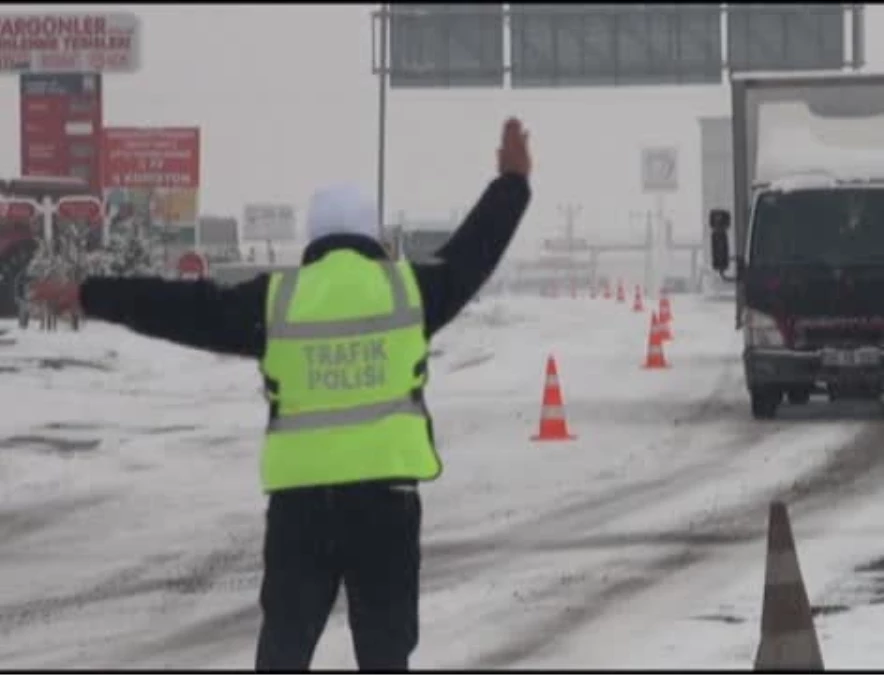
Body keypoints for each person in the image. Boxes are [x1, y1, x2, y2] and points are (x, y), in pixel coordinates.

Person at [32, 117, 533, 670]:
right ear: (375, 238)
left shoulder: (276, 302)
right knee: (386, 655)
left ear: (313, 241)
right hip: (386, 505)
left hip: (303, 509)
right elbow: (473, 251)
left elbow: (184, 308)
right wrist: (512, 181)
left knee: (284, 652)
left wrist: (91, 294)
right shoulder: (411, 292)